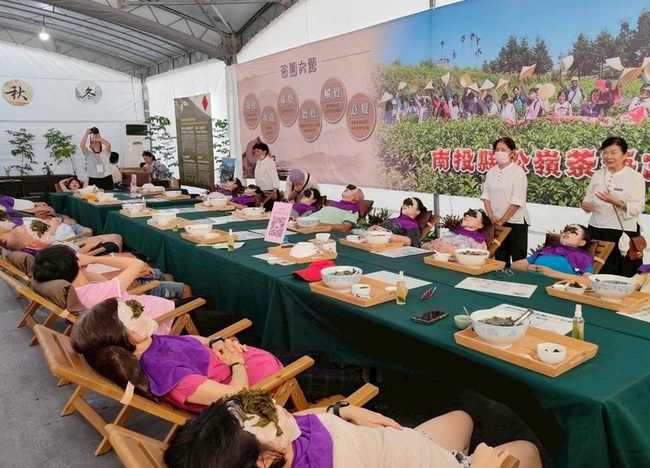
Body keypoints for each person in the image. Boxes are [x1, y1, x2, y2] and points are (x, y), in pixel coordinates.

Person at [164, 389, 542, 468]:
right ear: (263, 461)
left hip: (401, 444)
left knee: (463, 417)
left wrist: (343, 411)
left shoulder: (280, 441)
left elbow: (306, 416)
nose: (280, 409)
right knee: (528, 451)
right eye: (268, 418)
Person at [69, 298, 283, 413]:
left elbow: (190, 341)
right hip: (275, 386)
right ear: (128, 337)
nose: (143, 308)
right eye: (134, 311)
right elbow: (236, 395)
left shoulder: (151, 344)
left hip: (256, 366)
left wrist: (214, 342)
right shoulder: (169, 374)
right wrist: (237, 362)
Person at [32, 245, 174, 333]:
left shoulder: (78, 292)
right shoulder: (95, 295)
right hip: (162, 317)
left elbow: (101, 279)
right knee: (187, 293)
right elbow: (137, 263)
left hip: (145, 309)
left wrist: (81, 270)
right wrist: (93, 259)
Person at [582, 137, 645, 276]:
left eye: (613, 152)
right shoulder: (598, 175)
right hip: (596, 229)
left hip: (622, 232)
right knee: (595, 271)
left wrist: (616, 202)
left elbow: (638, 207)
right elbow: (588, 198)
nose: (608, 156)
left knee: (622, 274)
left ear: (625, 155)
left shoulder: (635, 177)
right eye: (605, 152)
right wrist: (585, 205)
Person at [481, 137, 530, 267]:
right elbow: (486, 196)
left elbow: (517, 201)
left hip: (515, 222)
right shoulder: (491, 172)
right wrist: (491, 216)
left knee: (518, 261)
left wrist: (503, 219)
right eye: (497, 149)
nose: (499, 152)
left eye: (503, 150)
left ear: (512, 153)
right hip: (496, 222)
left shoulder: (518, 172)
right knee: (501, 260)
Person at [512, 224, 594, 284]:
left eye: (574, 232)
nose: (567, 233)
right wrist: (527, 267)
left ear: (582, 242)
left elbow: (589, 282)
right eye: (566, 231)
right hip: (529, 283)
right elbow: (515, 265)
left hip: (557, 289)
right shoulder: (547, 251)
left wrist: (552, 273)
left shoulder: (583, 258)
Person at [423, 208, 490, 253]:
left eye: (473, 215)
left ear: (481, 225)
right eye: (466, 214)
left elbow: (478, 258)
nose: (467, 216)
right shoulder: (452, 233)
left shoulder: (477, 241)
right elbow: (423, 246)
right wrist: (429, 246)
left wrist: (451, 251)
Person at [253, 142, 280, 208]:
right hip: (260, 191)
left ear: (264, 152)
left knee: (269, 209)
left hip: (270, 191)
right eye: (255, 152)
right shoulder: (258, 162)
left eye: (258, 151)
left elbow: (274, 177)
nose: (256, 153)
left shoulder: (270, 162)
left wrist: (275, 190)